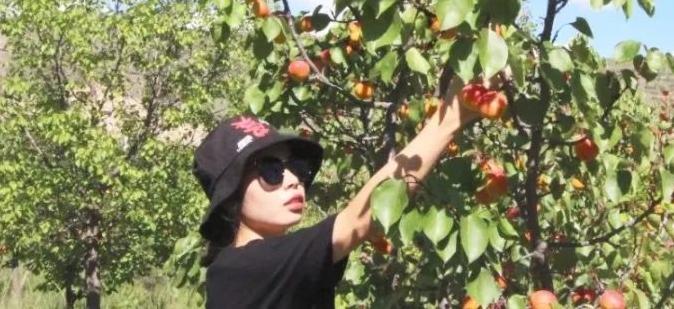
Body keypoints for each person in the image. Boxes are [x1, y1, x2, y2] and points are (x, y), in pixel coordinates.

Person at [192, 79, 477, 309]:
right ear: (230, 199)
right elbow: (361, 219)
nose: (293, 180)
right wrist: (451, 117)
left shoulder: (279, 268)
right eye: (271, 170)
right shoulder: (243, 269)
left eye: (297, 167)